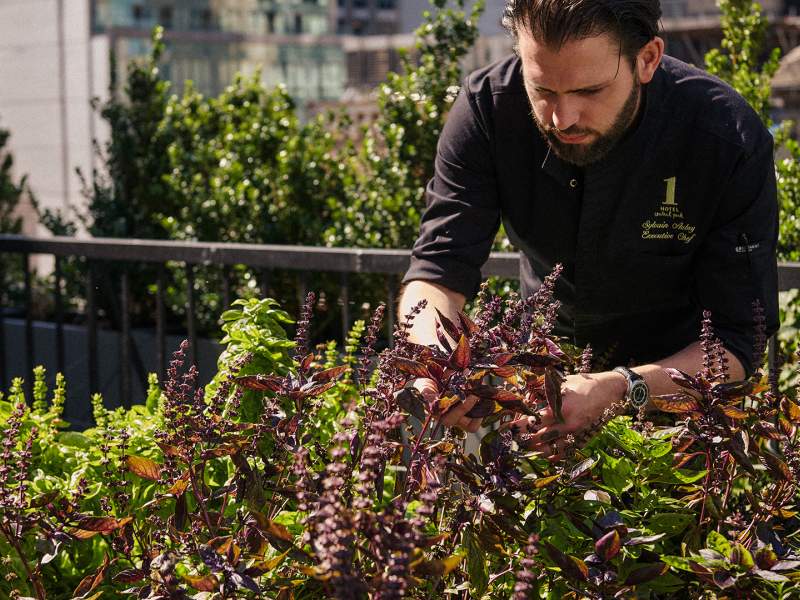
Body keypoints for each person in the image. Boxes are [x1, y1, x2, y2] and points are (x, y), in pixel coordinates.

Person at [398, 0, 780, 458]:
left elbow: (737, 343)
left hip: (684, 418)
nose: (564, 119)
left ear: (647, 59)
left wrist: (620, 388)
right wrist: (437, 366)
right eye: (543, 91)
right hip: (540, 393)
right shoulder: (487, 109)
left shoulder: (725, 136)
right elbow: (438, 270)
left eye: (590, 91)